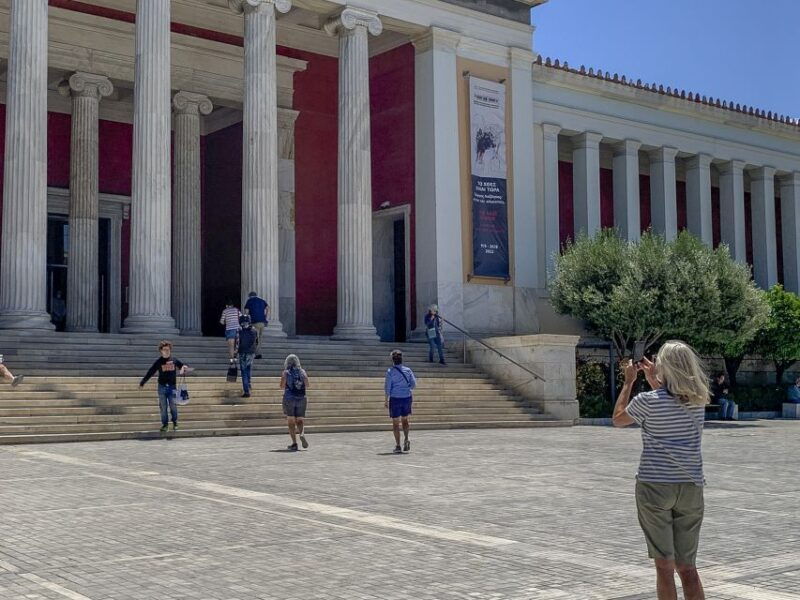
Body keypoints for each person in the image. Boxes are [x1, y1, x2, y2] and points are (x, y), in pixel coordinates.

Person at [612, 341, 708, 600]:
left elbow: (619, 419)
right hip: (690, 487)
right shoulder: (698, 403)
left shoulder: (647, 401)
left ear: (666, 367)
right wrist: (654, 377)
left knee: (664, 567)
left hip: (654, 486)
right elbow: (672, 399)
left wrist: (629, 382)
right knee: (688, 567)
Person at [139, 341, 190, 433]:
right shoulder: (158, 362)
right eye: (165, 350)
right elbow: (151, 372)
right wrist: (143, 382)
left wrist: (185, 368)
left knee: (173, 406)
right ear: (161, 351)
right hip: (161, 387)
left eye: (168, 349)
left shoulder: (174, 360)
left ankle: (175, 422)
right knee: (163, 407)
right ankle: (165, 425)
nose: (167, 351)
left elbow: (182, 366)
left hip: (172, 387)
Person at [384, 349, 417, 454]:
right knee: (405, 420)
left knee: (395, 423)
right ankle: (406, 438)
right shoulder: (408, 370)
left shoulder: (390, 371)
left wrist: (386, 400)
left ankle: (398, 445)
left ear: (392, 360)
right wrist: (406, 388)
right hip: (406, 398)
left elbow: (387, 387)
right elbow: (413, 385)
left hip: (395, 398)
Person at [280, 354, 309, 451]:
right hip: (302, 398)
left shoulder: (286, 372)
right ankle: (302, 434)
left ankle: (294, 443)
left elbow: (282, 386)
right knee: (300, 420)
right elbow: (307, 384)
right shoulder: (302, 371)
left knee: (291, 422)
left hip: (289, 398)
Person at [243, 291, 269, 360]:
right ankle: (258, 352)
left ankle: (257, 354)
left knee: (255, 338)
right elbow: (267, 308)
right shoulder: (262, 301)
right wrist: (265, 316)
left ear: (250, 296)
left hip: (254, 322)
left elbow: (246, 312)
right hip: (262, 322)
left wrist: (246, 320)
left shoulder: (249, 301)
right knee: (259, 338)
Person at [237, 315, 258, 398]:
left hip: (242, 352)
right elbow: (256, 342)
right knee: (249, 368)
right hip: (251, 352)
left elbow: (238, 342)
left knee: (244, 371)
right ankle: (249, 384)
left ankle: (246, 391)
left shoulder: (239, 331)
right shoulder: (254, 330)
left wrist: (235, 353)